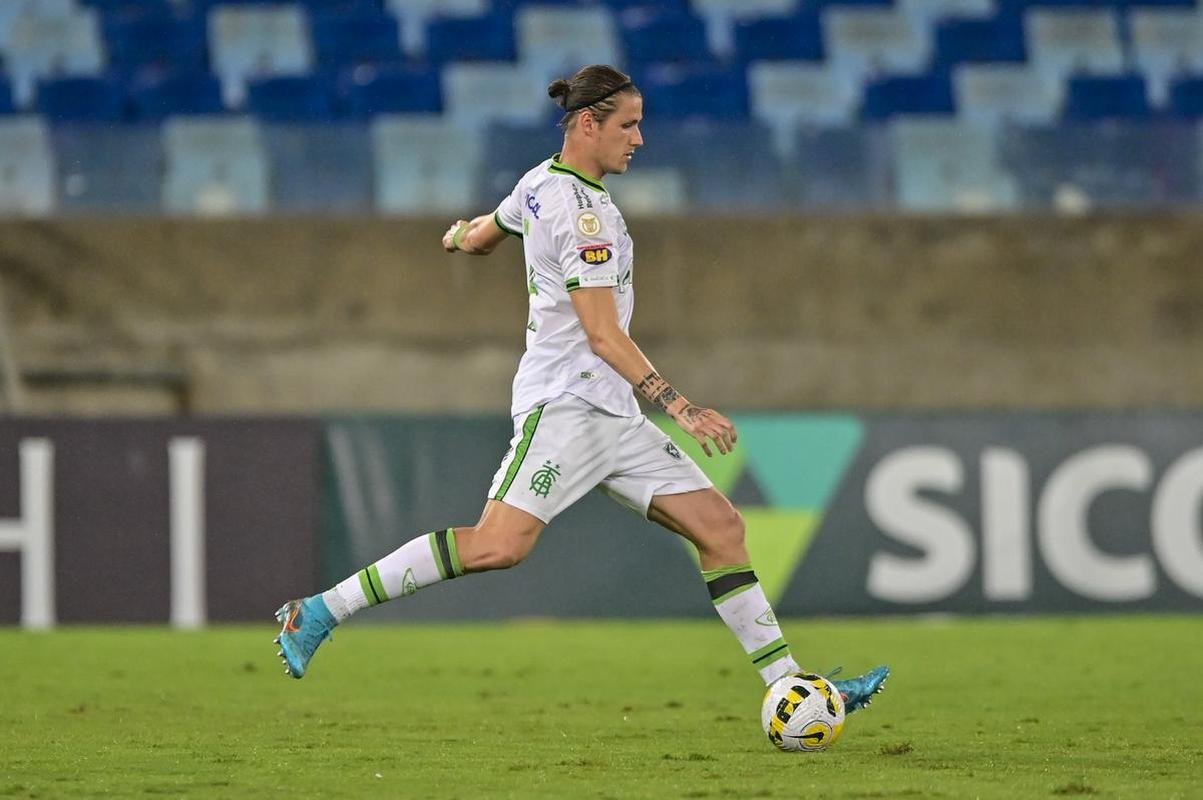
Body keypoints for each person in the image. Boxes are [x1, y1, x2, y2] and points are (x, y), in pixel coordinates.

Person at [274, 64, 888, 713]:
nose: (640, 139)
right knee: (496, 545)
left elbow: (487, 232)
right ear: (588, 124)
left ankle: (788, 683)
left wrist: (458, 236)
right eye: (628, 124)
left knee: (720, 528)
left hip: (611, 412)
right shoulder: (584, 217)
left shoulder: (537, 183)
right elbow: (601, 333)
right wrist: (680, 407)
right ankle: (317, 611)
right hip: (566, 403)